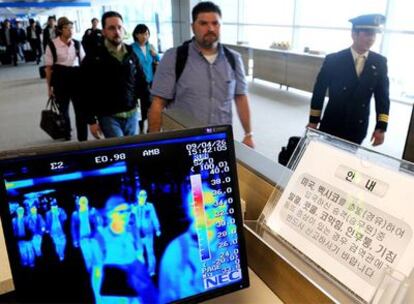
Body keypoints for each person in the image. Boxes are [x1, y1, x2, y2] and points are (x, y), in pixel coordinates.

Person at [148, 1, 254, 148]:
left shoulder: (234, 59)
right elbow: (158, 103)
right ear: (193, 27)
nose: (210, 28)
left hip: (220, 140)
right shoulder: (174, 57)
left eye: (215, 23)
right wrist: (154, 143)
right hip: (183, 141)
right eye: (203, 23)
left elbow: (241, 97)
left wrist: (248, 134)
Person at [307, 14, 390, 146]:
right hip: (332, 121)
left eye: (374, 34)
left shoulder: (379, 62)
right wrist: (314, 120)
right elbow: (319, 91)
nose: (371, 39)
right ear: (354, 34)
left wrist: (381, 127)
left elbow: (382, 97)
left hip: (358, 124)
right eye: (367, 34)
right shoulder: (334, 60)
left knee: (347, 161)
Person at [82, 11, 149, 139]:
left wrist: (151, 108)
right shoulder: (94, 57)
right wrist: (91, 120)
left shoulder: (131, 53)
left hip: (132, 114)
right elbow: (85, 90)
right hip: (108, 116)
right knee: (120, 152)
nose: (117, 32)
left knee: (132, 151)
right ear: (104, 32)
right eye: (111, 28)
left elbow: (141, 82)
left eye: (119, 27)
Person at [93, 195, 157, 303]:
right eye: (121, 212)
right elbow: (97, 271)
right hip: (114, 292)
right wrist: (97, 297)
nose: (126, 215)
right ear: (110, 214)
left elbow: (140, 257)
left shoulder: (133, 231)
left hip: (135, 287)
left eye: (127, 210)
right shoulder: (101, 238)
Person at [45, 16, 87, 141]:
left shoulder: (77, 43)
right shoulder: (52, 45)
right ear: (60, 30)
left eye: (71, 28)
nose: (70, 30)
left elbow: (83, 63)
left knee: (80, 110)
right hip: (60, 79)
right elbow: (48, 68)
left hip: (76, 78)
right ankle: (67, 132)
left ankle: (82, 137)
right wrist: (49, 88)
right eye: (67, 28)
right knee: (64, 110)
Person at [131, 24, 160, 134]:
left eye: (147, 34)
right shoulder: (132, 48)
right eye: (142, 34)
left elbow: (157, 60)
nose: (145, 36)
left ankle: (149, 129)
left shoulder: (150, 47)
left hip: (151, 82)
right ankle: (141, 128)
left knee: (151, 107)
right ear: (136, 35)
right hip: (137, 83)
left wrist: (155, 54)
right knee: (140, 108)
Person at [130, 189, 161, 276]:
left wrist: (157, 229)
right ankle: (141, 271)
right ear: (137, 196)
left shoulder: (150, 206)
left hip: (148, 233)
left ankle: (151, 270)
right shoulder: (134, 207)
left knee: (150, 252)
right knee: (139, 252)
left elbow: (154, 217)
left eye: (145, 195)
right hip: (138, 234)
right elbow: (131, 220)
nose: (143, 197)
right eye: (141, 195)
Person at [70, 196, 102, 271]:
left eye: (85, 202)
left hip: (93, 237)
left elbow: (98, 222)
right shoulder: (75, 214)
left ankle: (99, 270)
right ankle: (91, 272)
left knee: (97, 254)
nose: (83, 204)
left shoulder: (92, 211)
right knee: (88, 256)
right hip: (83, 238)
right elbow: (73, 228)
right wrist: (75, 240)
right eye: (82, 202)